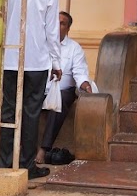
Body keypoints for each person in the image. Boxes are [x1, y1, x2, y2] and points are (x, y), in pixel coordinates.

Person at [0, 0, 60, 180]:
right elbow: (52, 30)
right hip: (37, 61)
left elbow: (1, 21)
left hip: (10, 59)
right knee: (31, 113)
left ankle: (5, 160)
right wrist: (56, 61)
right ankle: (27, 164)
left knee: (8, 110)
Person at [37, 10, 94, 164]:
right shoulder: (40, 45)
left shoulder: (74, 48)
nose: (58, 25)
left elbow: (80, 73)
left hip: (64, 91)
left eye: (62, 23)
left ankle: (43, 149)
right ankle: (23, 148)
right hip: (41, 89)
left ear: (68, 28)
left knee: (60, 100)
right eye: (55, 22)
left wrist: (86, 86)